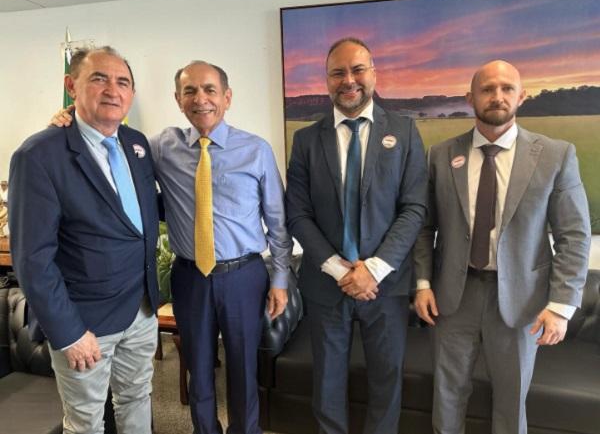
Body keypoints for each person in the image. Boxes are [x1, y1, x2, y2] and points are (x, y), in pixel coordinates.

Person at [51, 60, 292, 434]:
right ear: (178, 100)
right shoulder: (162, 146)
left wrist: (279, 278)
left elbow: (278, 222)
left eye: (210, 90)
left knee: (244, 369)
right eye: (190, 91)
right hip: (189, 276)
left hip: (244, 275)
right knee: (198, 367)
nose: (201, 99)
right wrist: (70, 116)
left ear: (226, 98)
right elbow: (111, 143)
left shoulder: (256, 150)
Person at [413, 60, 591, 434]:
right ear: (470, 97)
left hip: (521, 301)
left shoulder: (556, 155)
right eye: (487, 89)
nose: (497, 96)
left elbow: (573, 234)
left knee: (511, 401)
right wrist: (423, 283)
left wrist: (561, 305)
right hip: (452, 296)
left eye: (507, 88)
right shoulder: (441, 155)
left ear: (521, 96)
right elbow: (423, 225)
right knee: (447, 394)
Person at [9, 46, 159, 434]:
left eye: (122, 82)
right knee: (86, 422)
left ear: (132, 94)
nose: (113, 89)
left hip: (141, 311)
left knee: (136, 400)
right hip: (85, 322)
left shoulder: (137, 144)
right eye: (99, 78)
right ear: (71, 86)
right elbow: (32, 261)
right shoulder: (39, 155)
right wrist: (69, 333)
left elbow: (139, 220)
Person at [285, 37, 428, 434]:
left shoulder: (404, 131)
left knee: (386, 382)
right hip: (327, 286)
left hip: (386, 288)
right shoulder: (306, 140)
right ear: (327, 80)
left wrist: (374, 270)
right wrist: (338, 270)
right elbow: (297, 214)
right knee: (327, 384)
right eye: (338, 73)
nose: (348, 80)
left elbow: (414, 208)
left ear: (373, 74)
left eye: (357, 70)